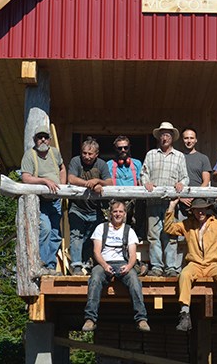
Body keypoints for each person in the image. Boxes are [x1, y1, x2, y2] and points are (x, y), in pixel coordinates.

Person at [165, 197, 217, 336]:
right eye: (197, 209)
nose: (200, 212)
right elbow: (169, 227)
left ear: (207, 209)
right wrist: (172, 206)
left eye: (202, 209)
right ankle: (184, 314)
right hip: (195, 263)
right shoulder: (187, 224)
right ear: (192, 211)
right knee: (184, 275)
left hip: (214, 263)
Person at [82, 200, 150, 332]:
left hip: (123, 263)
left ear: (125, 214)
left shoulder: (129, 231)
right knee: (95, 278)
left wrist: (129, 267)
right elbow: (96, 251)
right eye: (115, 211)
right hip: (103, 263)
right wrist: (104, 265)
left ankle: (141, 319)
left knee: (134, 280)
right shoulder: (101, 228)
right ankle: (90, 319)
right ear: (110, 214)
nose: (118, 214)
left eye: (121, 212)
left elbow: (132, 255)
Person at [141, 122, 189, 277]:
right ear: (159, 137)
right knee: (153, 236)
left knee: (171, 235)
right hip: (153, 202)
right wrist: (146, 183)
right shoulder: (151, 154)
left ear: (172, 138)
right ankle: (156, 266)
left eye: (168, 134)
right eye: (162, 134)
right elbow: (143, 173)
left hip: (171, 204)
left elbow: (185, 177)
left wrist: (181, 184)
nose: (165, 137)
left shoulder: (179, 156)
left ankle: (171, 267)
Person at [20, 126, 66, 276]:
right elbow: (26, 178)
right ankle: (42, 263)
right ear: (35, 140)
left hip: (55, 200)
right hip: (40, 201)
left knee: (55, 233)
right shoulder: (30, 155)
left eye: (45, 137)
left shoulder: (55, 152)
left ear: (50, 139)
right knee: (45, 228)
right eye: (40, 137)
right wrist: (44, 181)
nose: (43, 140)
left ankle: (51, 265)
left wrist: (63, 186)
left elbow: (62, 168)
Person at [67, 137, 113, 275]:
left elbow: (110, 182)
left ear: (96, 154)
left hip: (95, 209)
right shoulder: (76, 161)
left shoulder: (101, 164)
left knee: (90, 237)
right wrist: (88, 184)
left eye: (90, 154)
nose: (86, 156)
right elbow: (71, 178)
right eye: (84, 153)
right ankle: (76, 265)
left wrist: (98, 181)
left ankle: (86, 263)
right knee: (76, 235)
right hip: (77, 207)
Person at [106, 136, 146, 243]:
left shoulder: (137, 164)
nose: (123, 150)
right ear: (115, 149)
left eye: (125, 148)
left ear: (129, 148)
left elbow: (140, 181)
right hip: (115, 201)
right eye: (120, 148)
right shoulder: (109, 165)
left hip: (133, 201)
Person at [179, 126, 212, 216]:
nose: (189, 141)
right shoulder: (177, 157)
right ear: (182, 140)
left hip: (198, 201)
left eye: (191, 138)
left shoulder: (203, 158)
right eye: (186, 138)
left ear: (196, 140)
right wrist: (180, 197)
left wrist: (194, 195)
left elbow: (206, 181)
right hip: (180, 200)